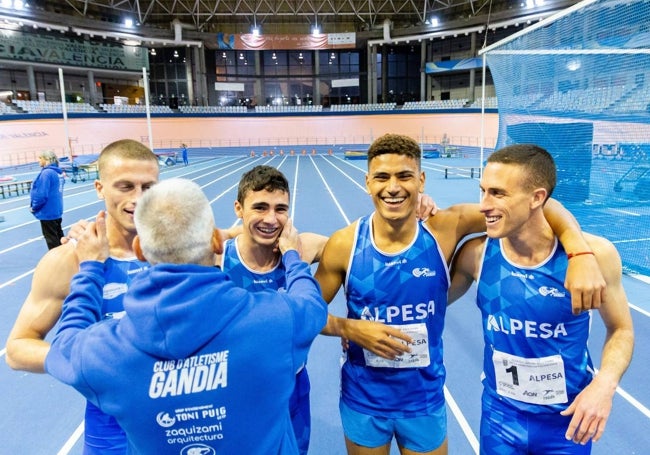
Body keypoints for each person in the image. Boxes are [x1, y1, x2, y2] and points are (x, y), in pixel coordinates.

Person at [313, 133, 607, 455]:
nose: (393, 187)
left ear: (421, 180)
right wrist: (349, 327)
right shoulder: (345, 244)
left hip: (424, 400)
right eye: (382, 177)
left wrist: (579, 251)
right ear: (368, 182)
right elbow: (304, 314)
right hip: (363, 399)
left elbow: (533, 205)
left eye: (405, 176)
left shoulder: (446, 227)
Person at [45, 178, 329, 454]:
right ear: (218, 242)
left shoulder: (103, 352)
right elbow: (310, 303)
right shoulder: (275, 321)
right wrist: (292, 256)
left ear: (140, 250)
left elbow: (64, 343)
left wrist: (90, 269)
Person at [448, 144, 634, 454]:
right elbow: (430, 305)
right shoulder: (476, 255)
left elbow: (622, 330)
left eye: (498, 193)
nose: (483, 205)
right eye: (482, 191)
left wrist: (604, 385)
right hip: (500, 420)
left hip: (566, 426)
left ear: (537, 198)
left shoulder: (595, 256)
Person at [7, 139, 161, 454]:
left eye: (148, 187)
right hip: (110, 433)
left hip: (177, 423)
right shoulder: (67, 261)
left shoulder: (180, 251)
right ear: (99, 188)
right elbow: (17, 349)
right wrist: (81, 361)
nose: (138, 198)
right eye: (125, 186)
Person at [218, 165, 327, 454]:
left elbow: (358, 246)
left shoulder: (303, 247)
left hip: (292, 389)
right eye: (260, 207)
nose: (271, 219)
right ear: (238, 208)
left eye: (281, 209)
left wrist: (418, 207)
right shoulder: (217, 255)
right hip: (236, 391)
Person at [30, 150, 65, 249]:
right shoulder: (57, 172)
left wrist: (34, 207)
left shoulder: (46, 173)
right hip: (57, 210)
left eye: (40, 158)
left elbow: (41, 194)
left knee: (52, 242)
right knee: (60, 238)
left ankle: (57, 263)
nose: (38, 160)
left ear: (46, 159)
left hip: (48, 212)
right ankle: (65, 260)